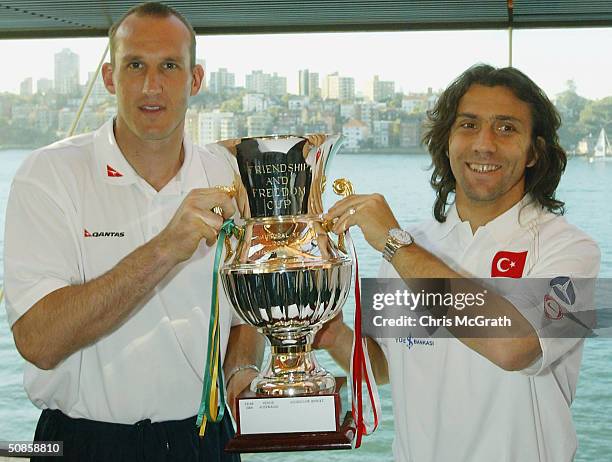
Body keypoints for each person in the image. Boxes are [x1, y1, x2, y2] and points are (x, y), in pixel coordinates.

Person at [3, 3, 263, 461]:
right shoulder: (48, 175)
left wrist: (241, 371)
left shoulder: (228, 172)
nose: (151, 86)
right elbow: (38, 342)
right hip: (78, 442)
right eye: (135, 65)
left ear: (195, 79)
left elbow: (246, 313)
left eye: (169, 66)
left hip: (205, 439)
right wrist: (166, 248)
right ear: (109, 77)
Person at [318, 64, 600, 461]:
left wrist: (395, 244)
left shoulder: (573, 250)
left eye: (506, 128)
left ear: (535, 151)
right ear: (447, 141)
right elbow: (385, 367)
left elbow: (515, 347)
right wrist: (333, 335)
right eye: (468, 125)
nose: (484, 144)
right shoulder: (409, 246)